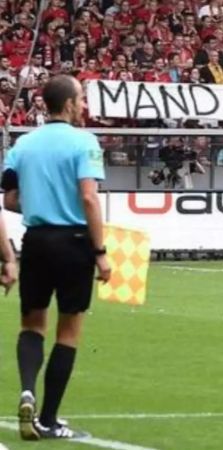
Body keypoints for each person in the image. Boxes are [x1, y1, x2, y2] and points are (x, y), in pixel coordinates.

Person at [1, 75, 111, 440]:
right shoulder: (85, 142)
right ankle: (48, 419)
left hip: (36, 241)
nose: (83, 106)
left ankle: (27, 389)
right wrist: (101, 253)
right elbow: (89, 197)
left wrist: (42, 198)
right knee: (68, 330)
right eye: (80, 100)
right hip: (75, 242)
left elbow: (10, 201)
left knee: (32, 325)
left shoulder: (22, 145)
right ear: (67, 104)